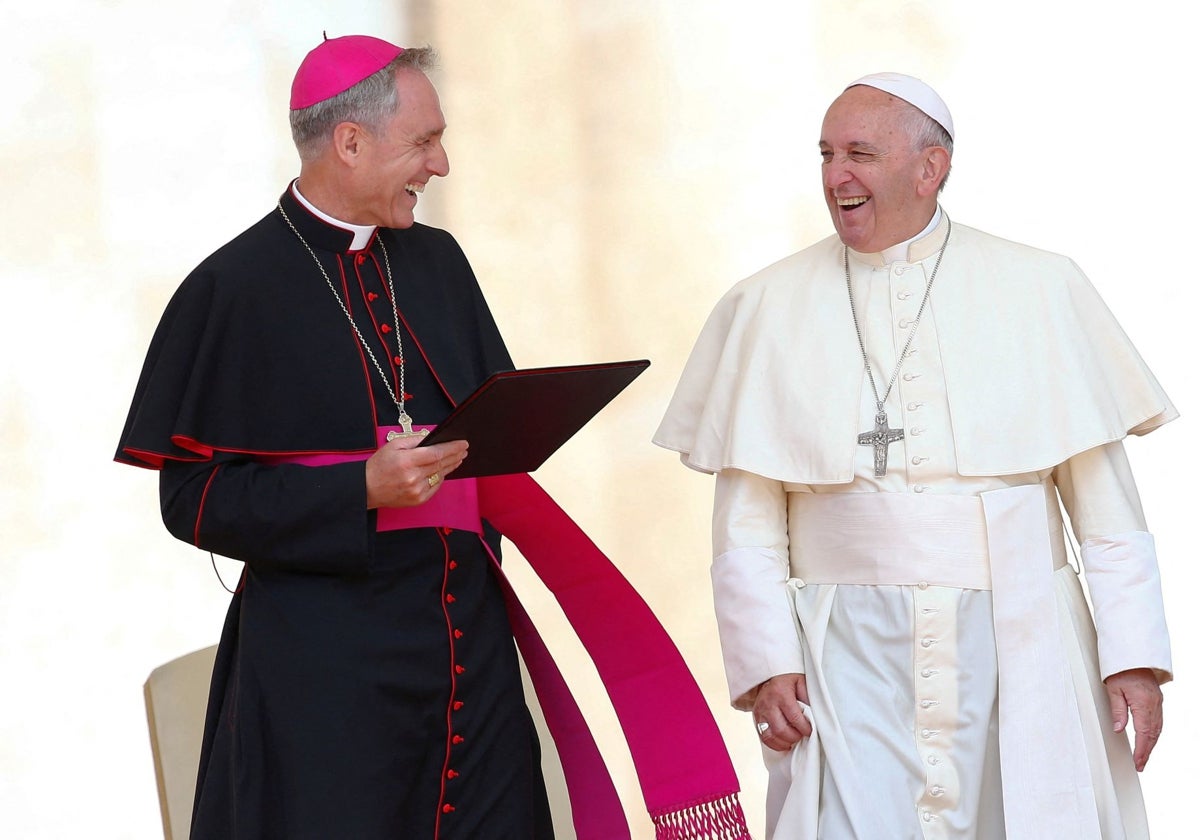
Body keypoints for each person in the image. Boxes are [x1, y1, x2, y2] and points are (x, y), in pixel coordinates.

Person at [654, 72, 1174, 839]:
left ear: (930, 169)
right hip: (847, 653)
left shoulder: (1040, 286)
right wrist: (764, 660)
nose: (837, 176)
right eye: (827, 154)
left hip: (1018, 638)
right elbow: (748, 518)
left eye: (860, 153)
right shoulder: (765, 303)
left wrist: (1131, 654)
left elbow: (1104, 502)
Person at [115, 36, 552, 838]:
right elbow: (191, 499)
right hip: (326, 682)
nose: (442, 165)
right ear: (350, 142)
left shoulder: (439, 262)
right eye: (424, 142)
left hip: (468, 656)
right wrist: (358, 490)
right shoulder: (231, 289)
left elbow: (490, 419)